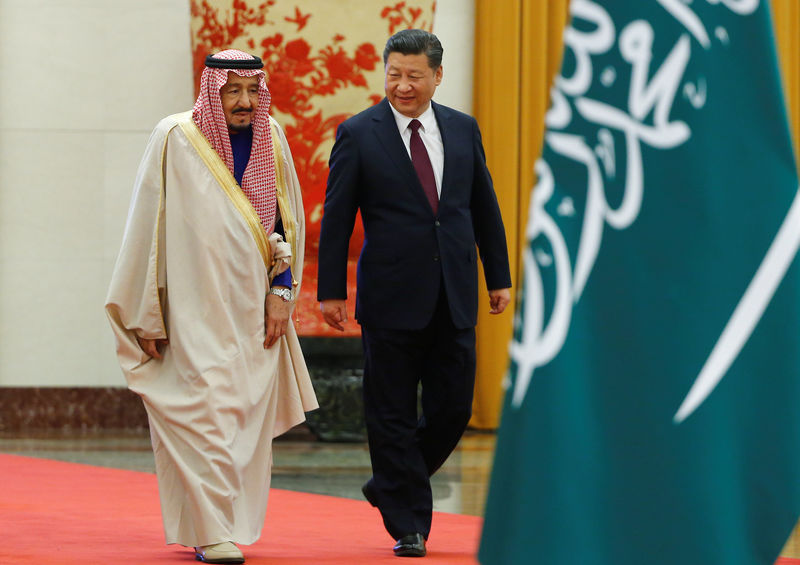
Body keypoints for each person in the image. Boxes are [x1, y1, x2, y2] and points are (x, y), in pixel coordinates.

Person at [105, 50, 317, 564]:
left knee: (241, 422)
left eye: (251, 91)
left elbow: (285, 227)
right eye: (232, 91)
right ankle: (209, 531)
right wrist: (145, 312)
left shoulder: (273, 137)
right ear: (211, 90)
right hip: (190, 308)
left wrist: (282, 295)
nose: (244, 102)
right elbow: (146, 229)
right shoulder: (175, 137)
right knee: (203, 415)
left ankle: (219, 523)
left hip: (254, 312)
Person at [317, 29, 512, 557]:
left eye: (414, 76)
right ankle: (409, 525)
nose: (402, 86)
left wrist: (499, 276)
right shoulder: (359, 133)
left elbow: (484, 209)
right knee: (391, 414)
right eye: (394, 74)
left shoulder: (463, 129)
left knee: (452, 409)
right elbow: (337, 219)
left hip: (454, 291)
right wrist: (331, 291)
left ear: (437, 76)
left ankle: (390, 484)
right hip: (390, 296)